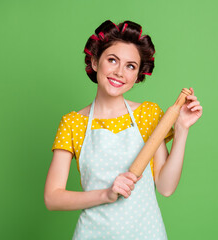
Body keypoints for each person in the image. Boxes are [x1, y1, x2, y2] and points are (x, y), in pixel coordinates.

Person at [44, 20, 203, 240]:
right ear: (95, 62)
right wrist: (106, 194)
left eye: (130, 66)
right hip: (93, 234)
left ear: (138, 75)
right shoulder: (73, 123)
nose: (120, 72)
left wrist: (182, 128)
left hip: (147, 233)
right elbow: (53, 198)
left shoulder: (148, 114)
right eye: (112, 60)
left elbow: (165, 188)